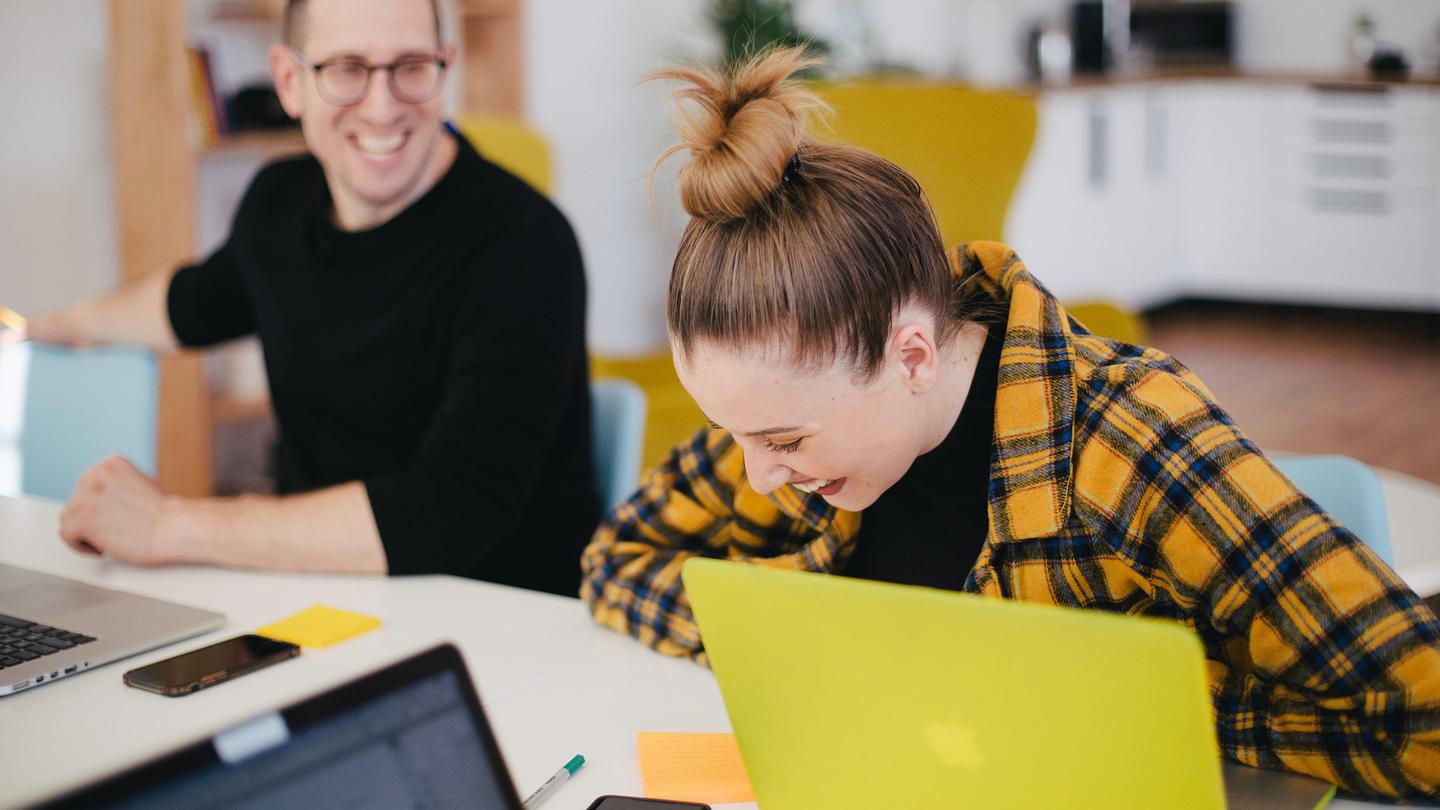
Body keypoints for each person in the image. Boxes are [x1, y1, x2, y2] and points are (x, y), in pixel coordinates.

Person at [579, 47, 1440, 799]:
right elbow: (616, 562)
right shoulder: (789, 419)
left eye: (784, 442)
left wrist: (1140, 703)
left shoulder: (1132, 440)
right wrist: (806, 647)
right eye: (735, 433)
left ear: (912, 356)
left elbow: (1422, 714)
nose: (758, 473)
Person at [18, 0, 598, 596]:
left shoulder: (525, 243)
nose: (381, 105)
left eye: (411, 66)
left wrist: (168, 524)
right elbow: (193, 302)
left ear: (445, 68)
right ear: (291, 82)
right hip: (320, 596)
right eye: (347, 68)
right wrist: (53, 325)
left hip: (503, 623)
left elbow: (451, 511)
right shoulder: (279, 203)